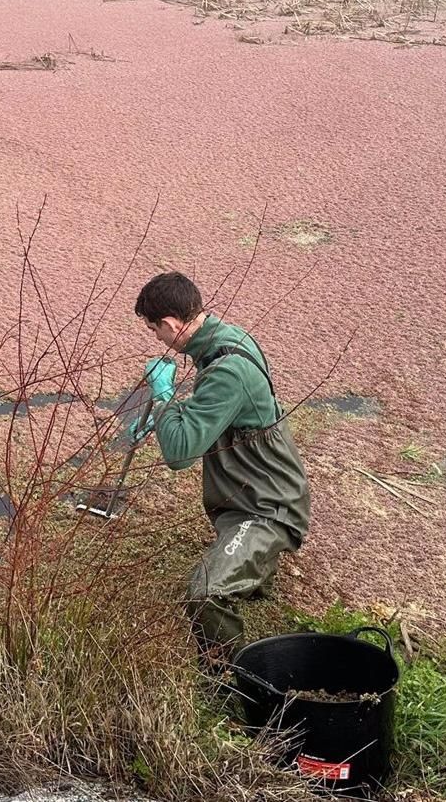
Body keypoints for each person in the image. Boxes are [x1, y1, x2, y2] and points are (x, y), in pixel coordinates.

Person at [131, 272, 312, 664]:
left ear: (170, 324)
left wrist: (164, 401)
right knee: (230, 556)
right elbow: (219, 412)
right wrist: (167, 417)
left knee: (204, 593)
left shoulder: (227, 370)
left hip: (268, 509)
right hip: (253, 493)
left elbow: (180, 455)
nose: (157, 339)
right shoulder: (226, 340)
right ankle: (254, 575)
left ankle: (230, 673)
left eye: (154, 330)